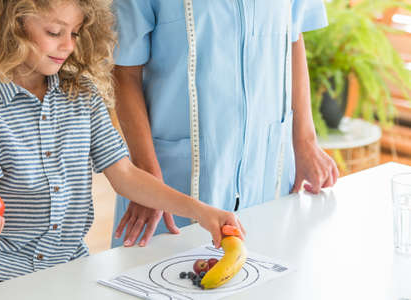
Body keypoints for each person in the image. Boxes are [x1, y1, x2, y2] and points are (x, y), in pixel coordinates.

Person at [0, 0, 244, 293]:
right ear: (13, 26)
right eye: (55, 32)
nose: (68, 46)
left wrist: (201, 212)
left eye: (75, 33)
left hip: (68, 268)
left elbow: (126, 175)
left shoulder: (83, 96)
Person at [111, 0, 339, 248]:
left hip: (267, 172)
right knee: (161, 276)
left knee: (270, 272)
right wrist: (147, 176)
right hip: (173, 180)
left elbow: (292, 35)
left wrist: (305, 141)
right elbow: (124, 69)